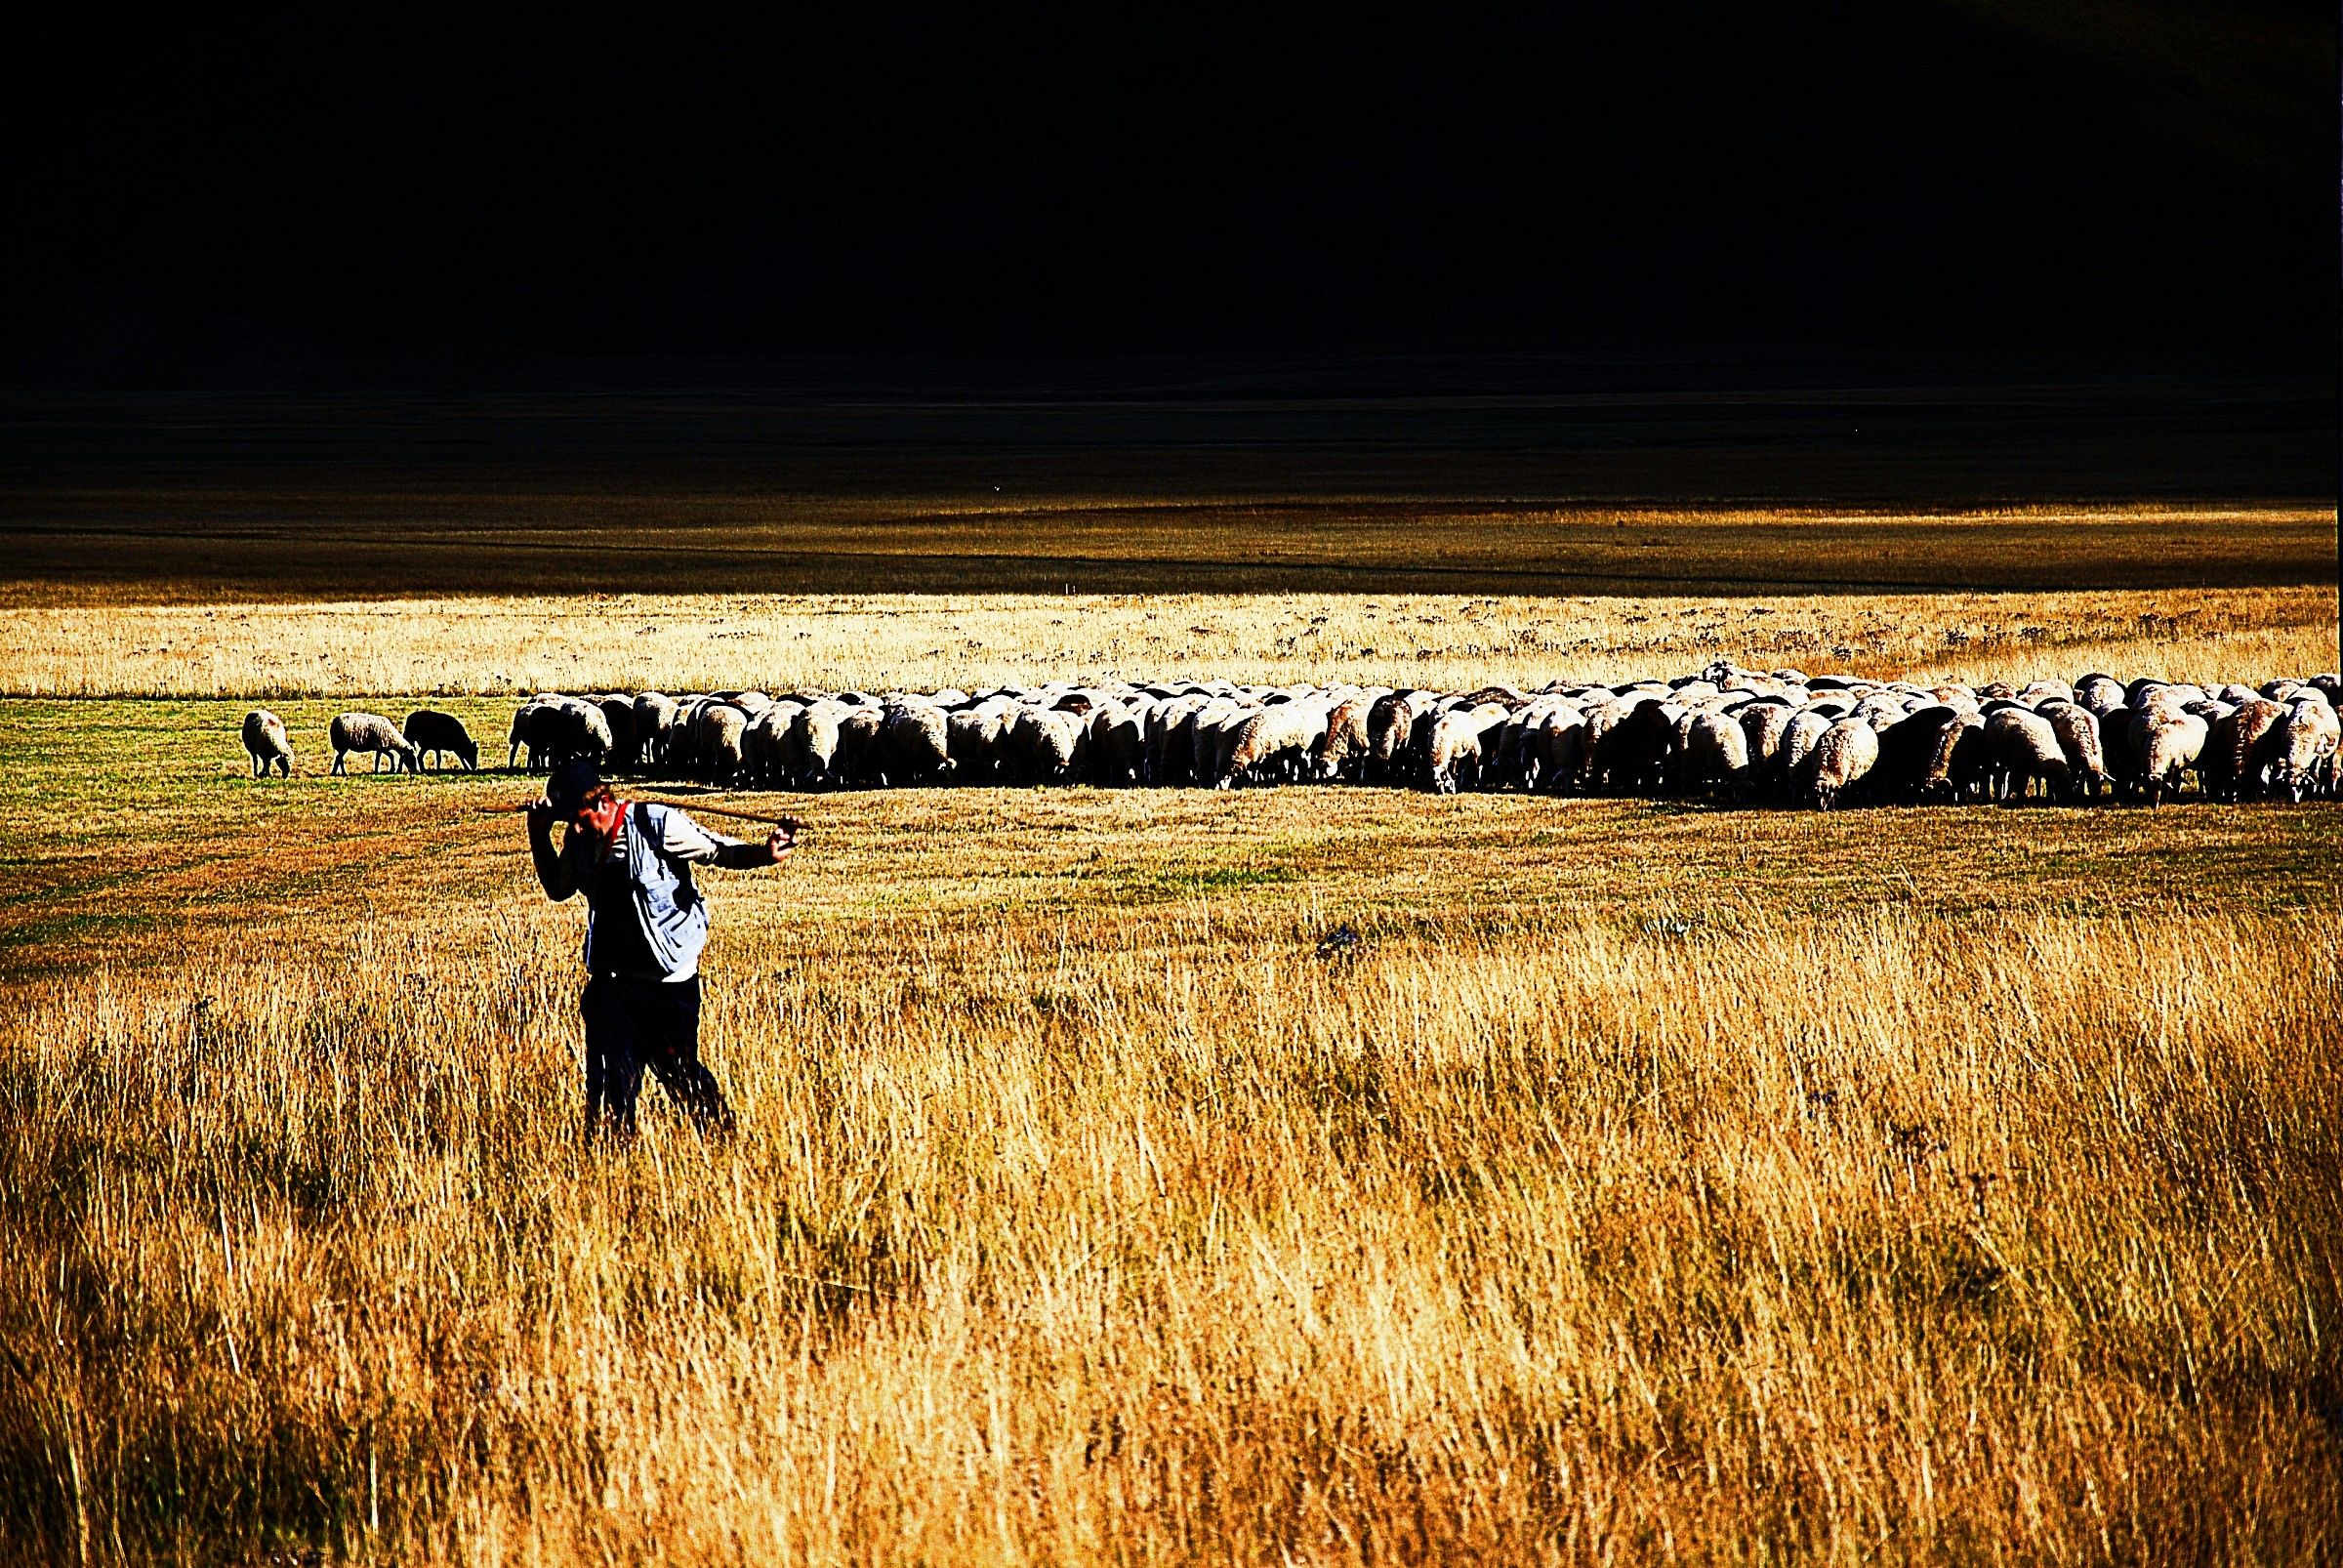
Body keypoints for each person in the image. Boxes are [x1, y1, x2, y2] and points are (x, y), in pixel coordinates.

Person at [526, 758, 794, 1143]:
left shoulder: (655, 825)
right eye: (570, 821)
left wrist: (765, 853)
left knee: (680, 1072)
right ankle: (610, 1169)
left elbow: (718, 852)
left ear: (603, 801)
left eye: (582, 817)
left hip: (667, 983)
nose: (577, 827)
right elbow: (558, 888)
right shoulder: (579, 840)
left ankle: (724, 1144)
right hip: (613, 982)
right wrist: (538, 834)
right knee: (608, 1084)